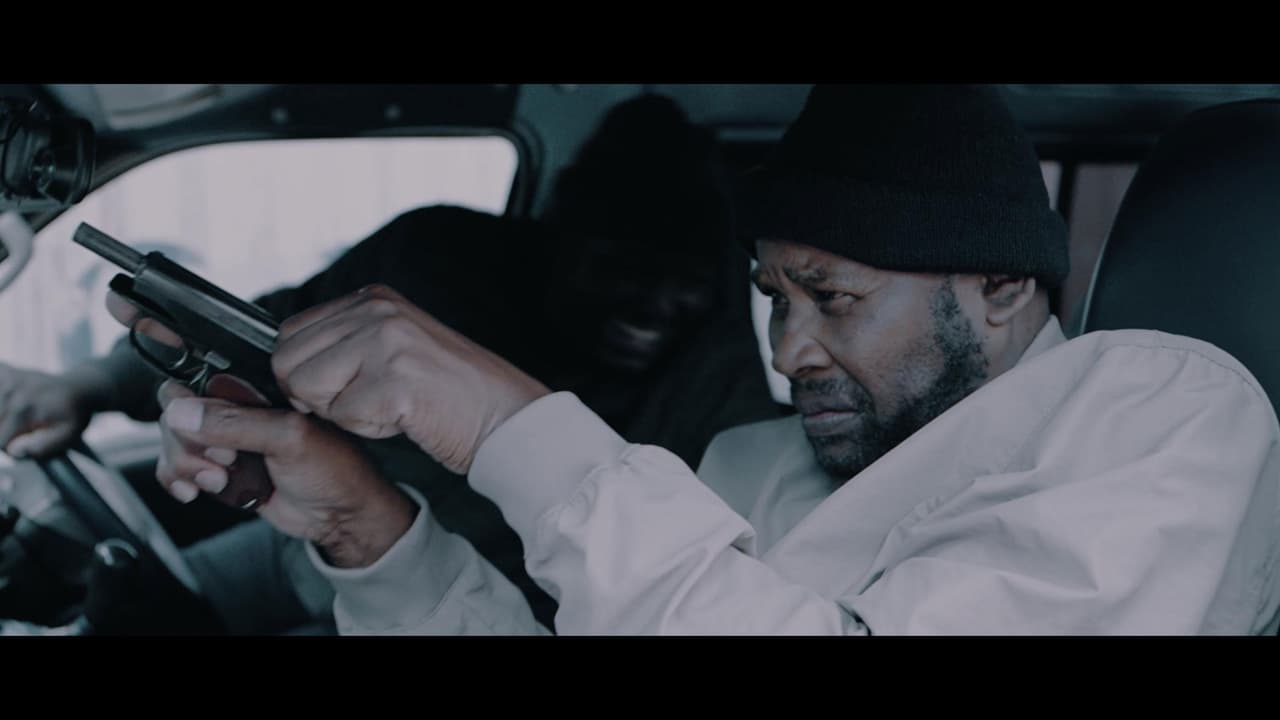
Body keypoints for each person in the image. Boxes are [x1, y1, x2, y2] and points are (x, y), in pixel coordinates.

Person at [133, 84, 1280, 634]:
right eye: (771, 298)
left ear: (998, 287)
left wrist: (506, 425)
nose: (788, 349)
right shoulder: (748, 465)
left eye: (831, 298)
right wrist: (369, 532)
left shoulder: (1157, 413)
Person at [3, 94, 782, 632]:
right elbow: (261, 332)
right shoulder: (434, 261)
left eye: (683, 279)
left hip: (498, 606)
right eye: (620, 264)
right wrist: (86, 385)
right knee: (140, 603)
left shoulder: (718, 379)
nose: (652, 304)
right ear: (558, 233)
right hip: (307, 535)